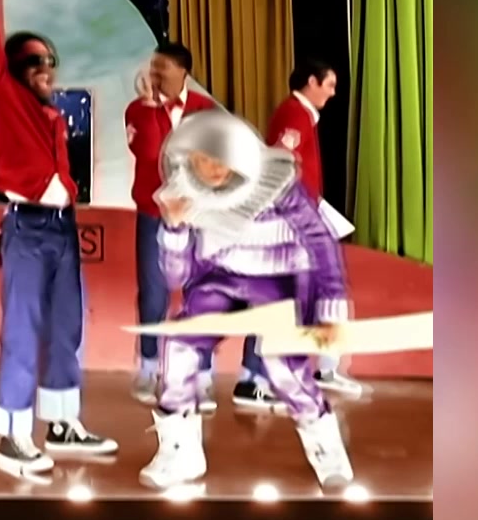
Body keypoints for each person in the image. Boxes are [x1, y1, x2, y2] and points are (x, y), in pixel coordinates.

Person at [139, 109, 355, 492]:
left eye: (220, 158)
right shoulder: (183, 192)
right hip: (219, 282)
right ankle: (180, 452)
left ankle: (327, 448)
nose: (212, 168)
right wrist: (174, 227)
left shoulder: (277, 185)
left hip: (277, 280)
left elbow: (320, 241)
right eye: (202, 159)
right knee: (179, 347)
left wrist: (331, 307)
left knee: (283, 367)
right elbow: (177, 276)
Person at [0, 0, 117, 478]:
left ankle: (62, 421)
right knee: (22, 331)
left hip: (61, 226)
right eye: (35, 62)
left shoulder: (50, 116)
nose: (46, 70)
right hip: (29, 228)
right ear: (14, 69)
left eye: (50, 62)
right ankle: (13, 437)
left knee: (66, 326)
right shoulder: (1, 97)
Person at [124, 44, 222, 412]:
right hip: (154, 212)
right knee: (153, 293)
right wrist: (152, 108)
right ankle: (148, 369)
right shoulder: (137, 110)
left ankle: (202, 376)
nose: (155, 73)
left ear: (183, 72)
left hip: (199, 217)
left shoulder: (206, 110)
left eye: (162, 67)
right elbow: (149, 152)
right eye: (153, 66)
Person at [267, 60, 363, 397]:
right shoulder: (294, 113)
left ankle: (325, 367)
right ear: (312, 81)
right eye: (329, 85)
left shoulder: (302, 115)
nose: (333, 93)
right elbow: (280, 164)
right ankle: (267, 377)